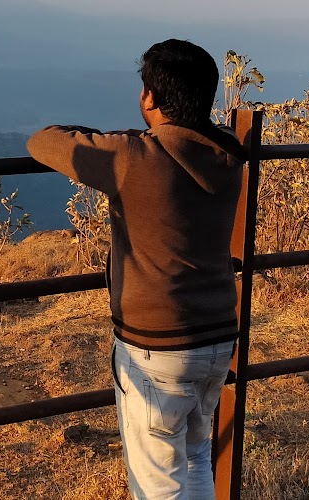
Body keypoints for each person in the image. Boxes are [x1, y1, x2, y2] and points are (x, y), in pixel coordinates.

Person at [26, 39, 245, 500]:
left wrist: (103, 135)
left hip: (157, 346)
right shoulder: (228, 156)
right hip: (219, 337)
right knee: (196, 458)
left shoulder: (131, 158)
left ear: (150, 97)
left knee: (157, 485)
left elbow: (42, 142)